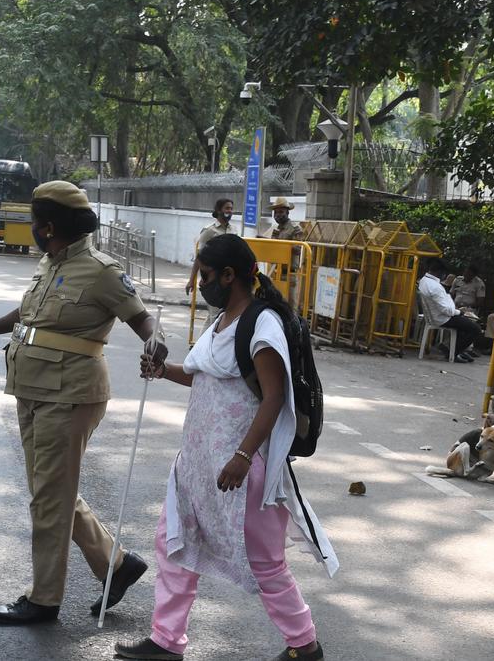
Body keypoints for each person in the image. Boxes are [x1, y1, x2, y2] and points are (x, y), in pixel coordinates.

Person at [0, 180, 169, 624]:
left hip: (70, 395)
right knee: (51, 492)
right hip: (32, 389)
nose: (32, 228)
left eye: (34, 222)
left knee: (49, 497)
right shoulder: (50, 264)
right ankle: (117, 564)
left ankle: (44, 598)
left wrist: (156, 343)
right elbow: (28, 314)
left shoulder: (102, 271)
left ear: (48, 227)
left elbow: (143, 319)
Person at [117, 234, 337, 661]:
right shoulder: (221, 320)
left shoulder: (262, 325)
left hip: (242, 470)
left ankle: (305, 645)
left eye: (205, 275)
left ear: (229, 275)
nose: (200, 283)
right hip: (197, 465)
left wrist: (242, 456)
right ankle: (166, 640)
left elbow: (274, 396)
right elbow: (203, 374)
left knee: (264, 561)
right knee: (173, 544)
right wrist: (162, 370)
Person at [418, 257, 481, 363]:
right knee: (475, 329)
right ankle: (453, 352)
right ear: (440, 272)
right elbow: (447, 310)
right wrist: (459, 312)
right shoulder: (435, 287)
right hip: (443, 318)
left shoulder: (424, 281)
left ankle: (453, 348)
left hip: (435, 315)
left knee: (465, 324)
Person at [186, 199, 236, 327]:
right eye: (227, 208)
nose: (230, 211)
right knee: (216, 317)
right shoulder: (209, 231)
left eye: (231, 208)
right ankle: (213, 340)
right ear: (219, 210)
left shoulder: (233, 230)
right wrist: (191, 280)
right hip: (213, 279)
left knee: (214, 316)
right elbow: (200, 257)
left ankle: (203, 340)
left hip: (227, 279)